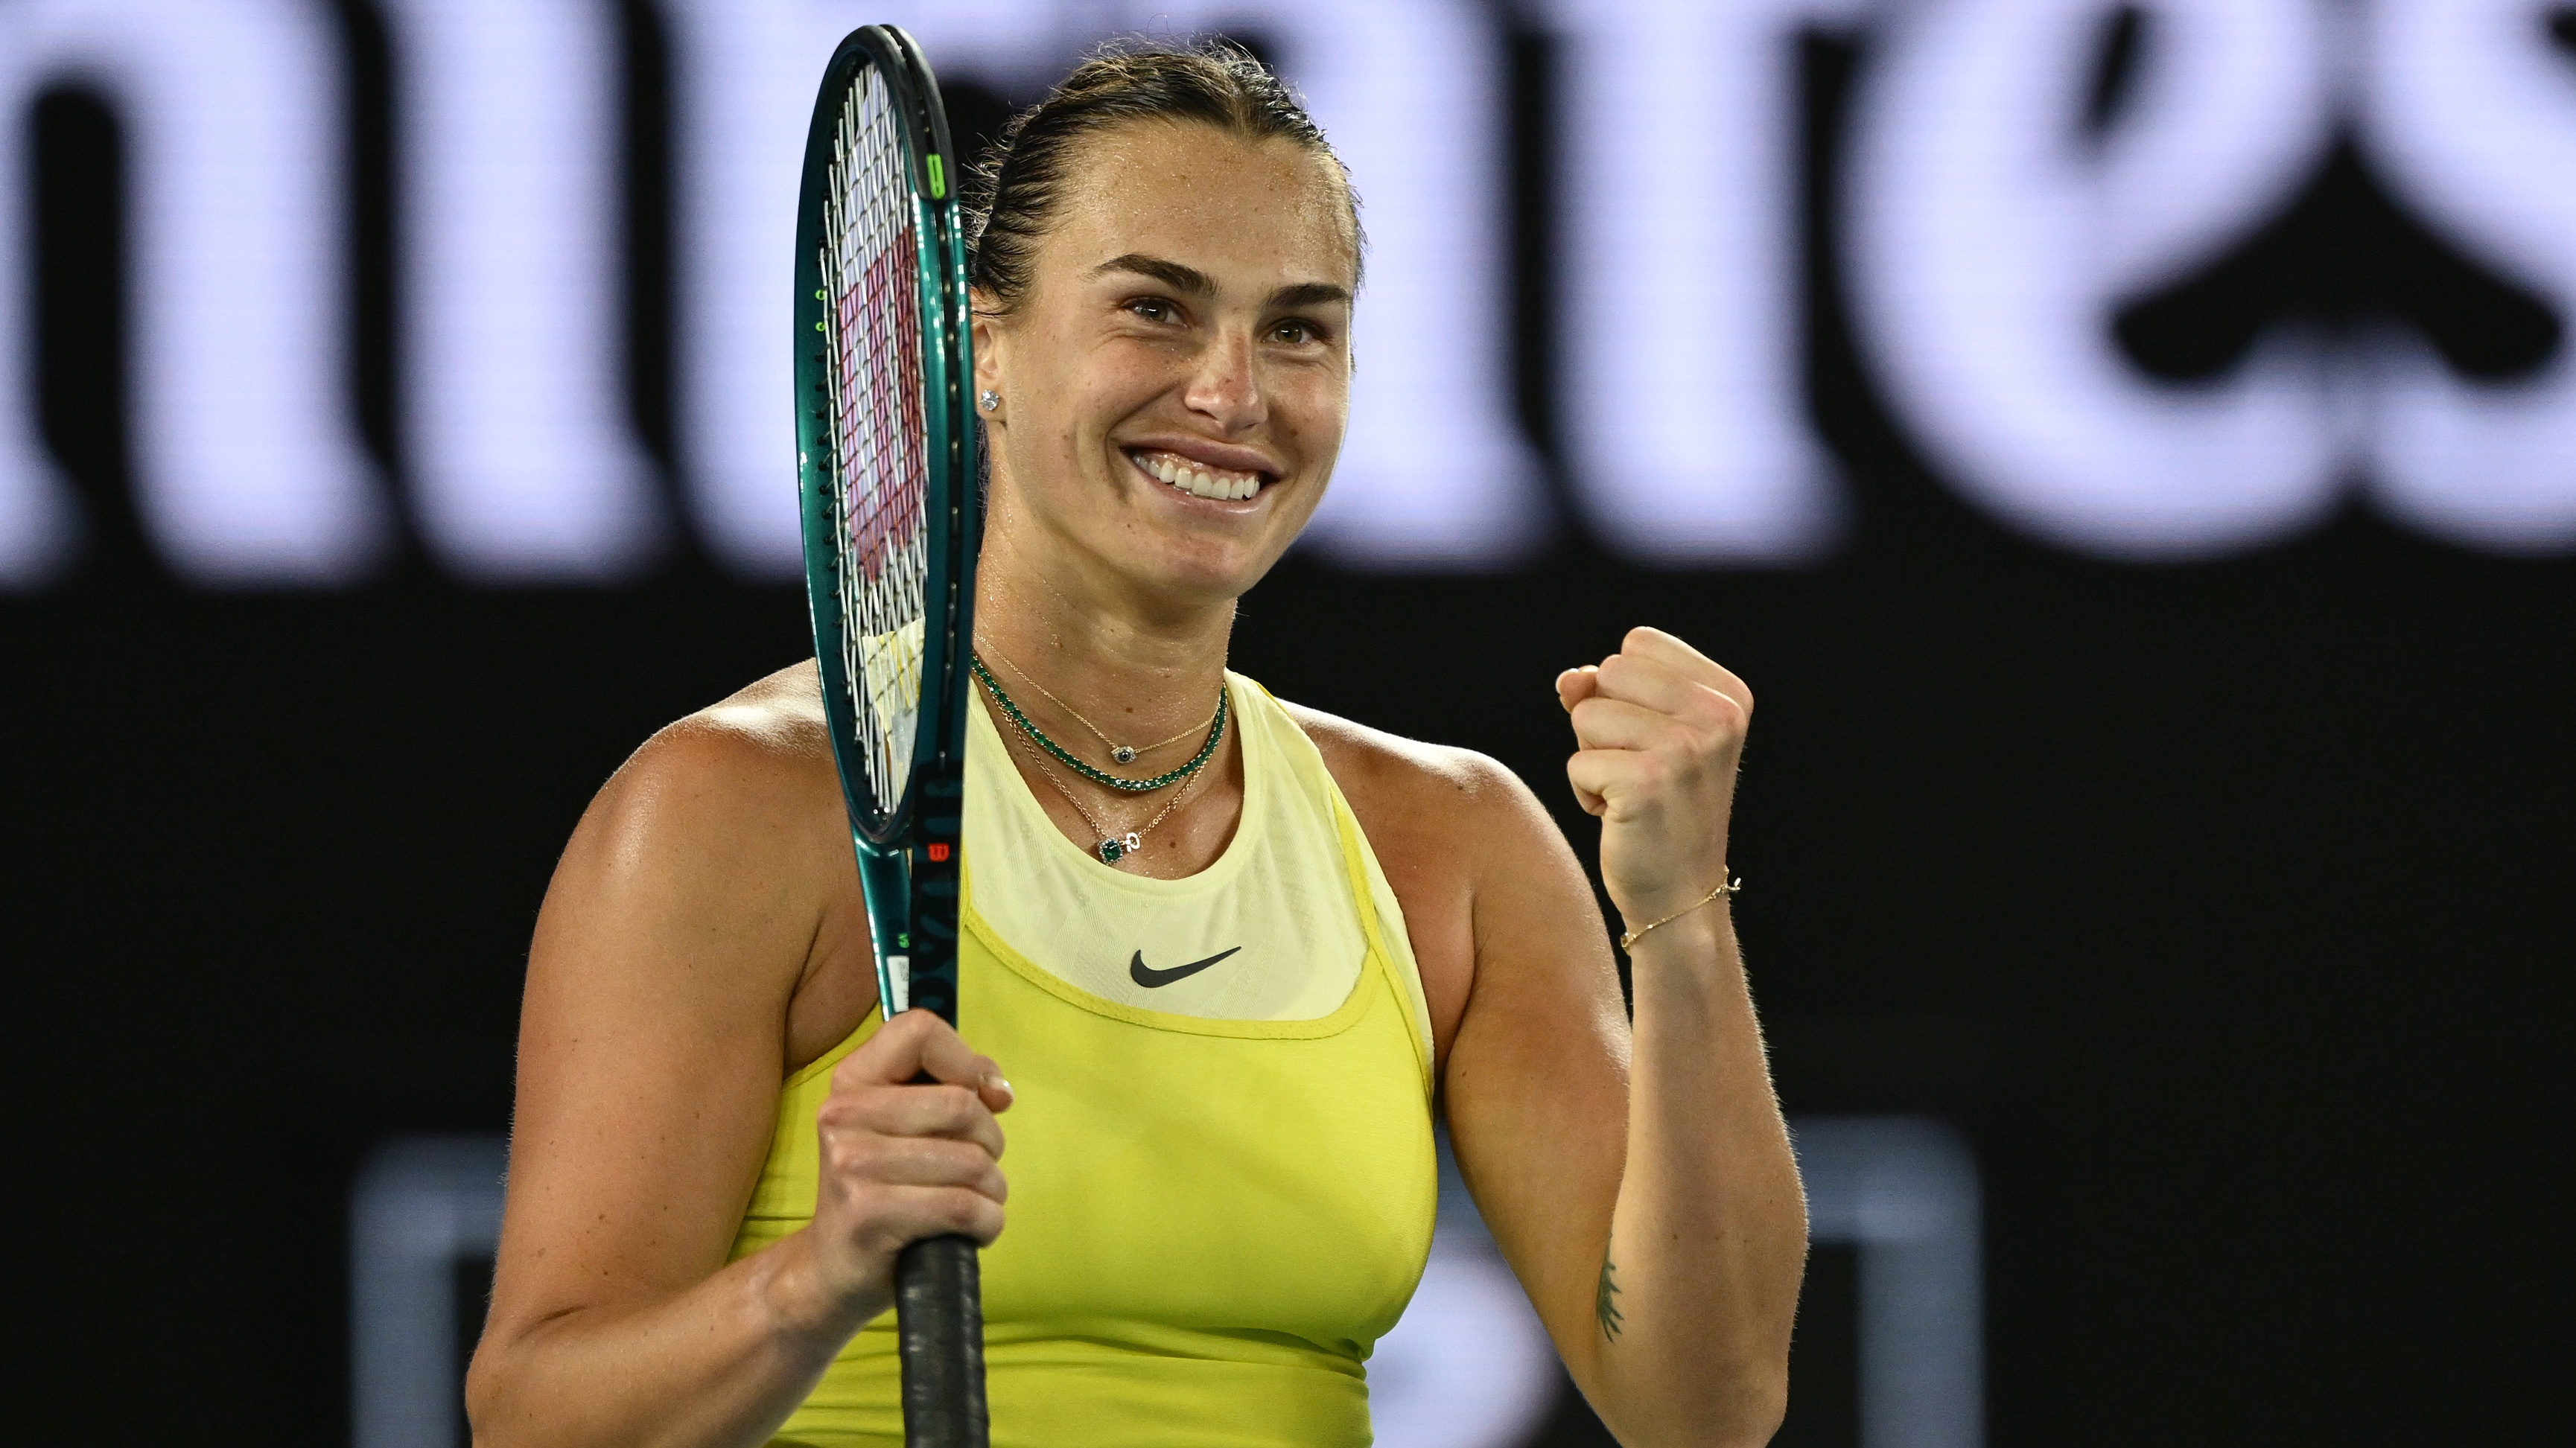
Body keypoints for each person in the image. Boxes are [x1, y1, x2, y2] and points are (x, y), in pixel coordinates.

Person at [465, 41, 1804, 1448]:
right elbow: (534, 1417)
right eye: (1156, 309)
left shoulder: (1449, 845)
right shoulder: (736, 807)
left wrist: (1677, 916)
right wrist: (813, 1282)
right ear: (982, 344)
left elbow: (1703, 1408)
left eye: (1299, 328)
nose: (1233, 394)